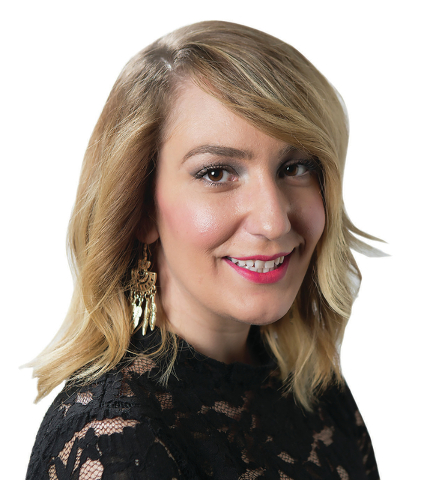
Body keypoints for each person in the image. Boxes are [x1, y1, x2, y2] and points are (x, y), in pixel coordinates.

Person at [26, 21, 380, 479]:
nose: (274, 221)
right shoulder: (114, 439)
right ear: (141, 209)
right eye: (216, 173)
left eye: (295, 167)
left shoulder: (314, 390)